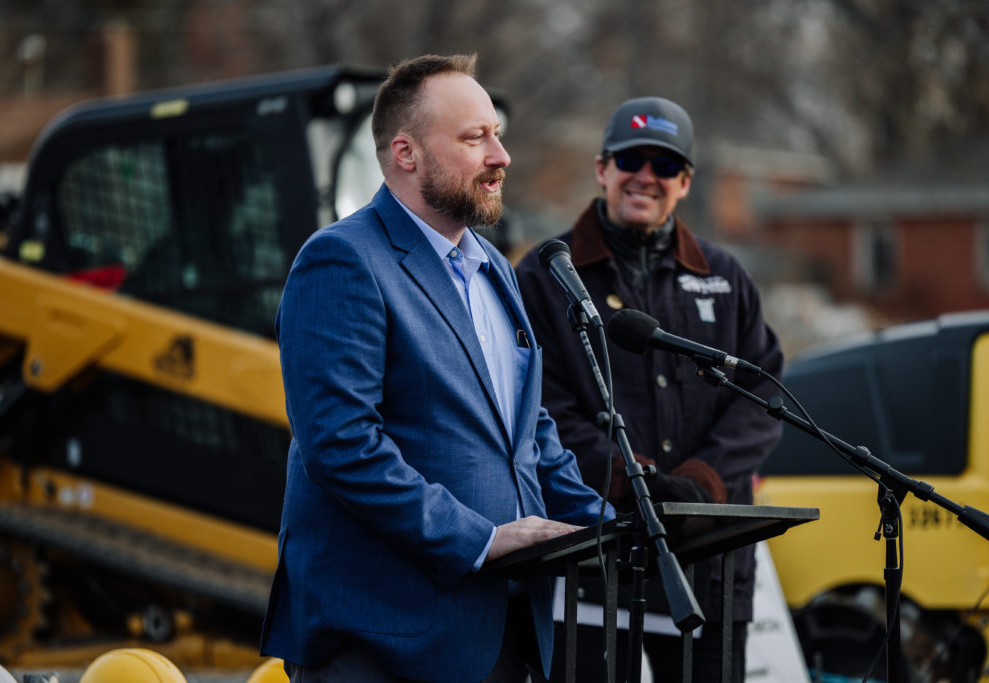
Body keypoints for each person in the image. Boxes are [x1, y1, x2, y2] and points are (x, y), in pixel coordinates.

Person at [258, 53, 614, 683]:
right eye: (475, 138)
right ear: (406, 153)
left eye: (497, 135)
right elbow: (341, 446)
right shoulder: (342, 261)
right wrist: (481, 539)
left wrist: (619, 529)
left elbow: (527, 434)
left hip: (500, 631)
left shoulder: (495, 268)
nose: (501, 156)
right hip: (382, 639)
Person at [515, 96, 784, 682]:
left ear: (684, 182)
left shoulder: (725, 277)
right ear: (602, 168)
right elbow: (534, 399)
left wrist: (701, 480)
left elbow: (764, 396)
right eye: (630, 160)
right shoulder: (545, 272)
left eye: (664, 165)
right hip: (590, 555)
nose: (645, 176)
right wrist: (620, 476)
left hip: (711, 565)